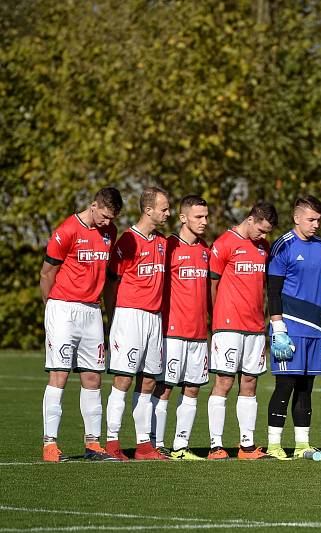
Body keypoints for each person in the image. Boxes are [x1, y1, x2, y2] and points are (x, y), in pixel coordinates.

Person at [40, 187, 123, 462]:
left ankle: (92, 444)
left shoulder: (109, 233)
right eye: (105, 216)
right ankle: (50, 444)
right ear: (94, 205)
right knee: (60, 375)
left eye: (112, 218)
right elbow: (47, 272)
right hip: (63, 308)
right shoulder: (67, 230)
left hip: (92, 311)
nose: (108, 223)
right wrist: (50, 307)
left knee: (93, 378)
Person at [266, 195, 321, 460]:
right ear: (297, 218)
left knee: (306, 388)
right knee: (285, 385)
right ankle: (274, 445)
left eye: (319, 219)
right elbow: (273, 291)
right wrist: (278, 327)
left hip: (315, 329)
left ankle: (301, 445)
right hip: (289, 327)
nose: (316, 224)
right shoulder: (283, 245)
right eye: (311, 219)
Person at [206, 201, 277, 460]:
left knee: (250, 382)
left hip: (255, 326)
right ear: (250, 220)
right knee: (223, 382)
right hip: (227, 325)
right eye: (261, 230)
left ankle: (246, 446)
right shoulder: (224, 243)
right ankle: (215, 445)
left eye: (268, 232)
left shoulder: (263, 248)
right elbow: (211, 286)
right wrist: (216, 318)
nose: (263, 236)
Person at [104, 186, 170, 461]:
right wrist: (111, 317)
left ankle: (144, 445)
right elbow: (110, 283)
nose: (168, 213)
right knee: (123, 378)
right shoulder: (127, 241)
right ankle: (111, 442)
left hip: (154, 318)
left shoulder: (163, 242)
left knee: (148, 380)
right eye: (164, 208)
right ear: (148, 210)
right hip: (129, 316)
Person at [149, 195, 211, 460]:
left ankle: (180, 446)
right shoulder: (169, 246)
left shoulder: (205, 249)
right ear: (183, 217)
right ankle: (156, 444)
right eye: (198, 217)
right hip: (172, 332)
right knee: (165, 387)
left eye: (206, 217)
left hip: (198, 333)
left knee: (193, 388)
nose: (204, 222)